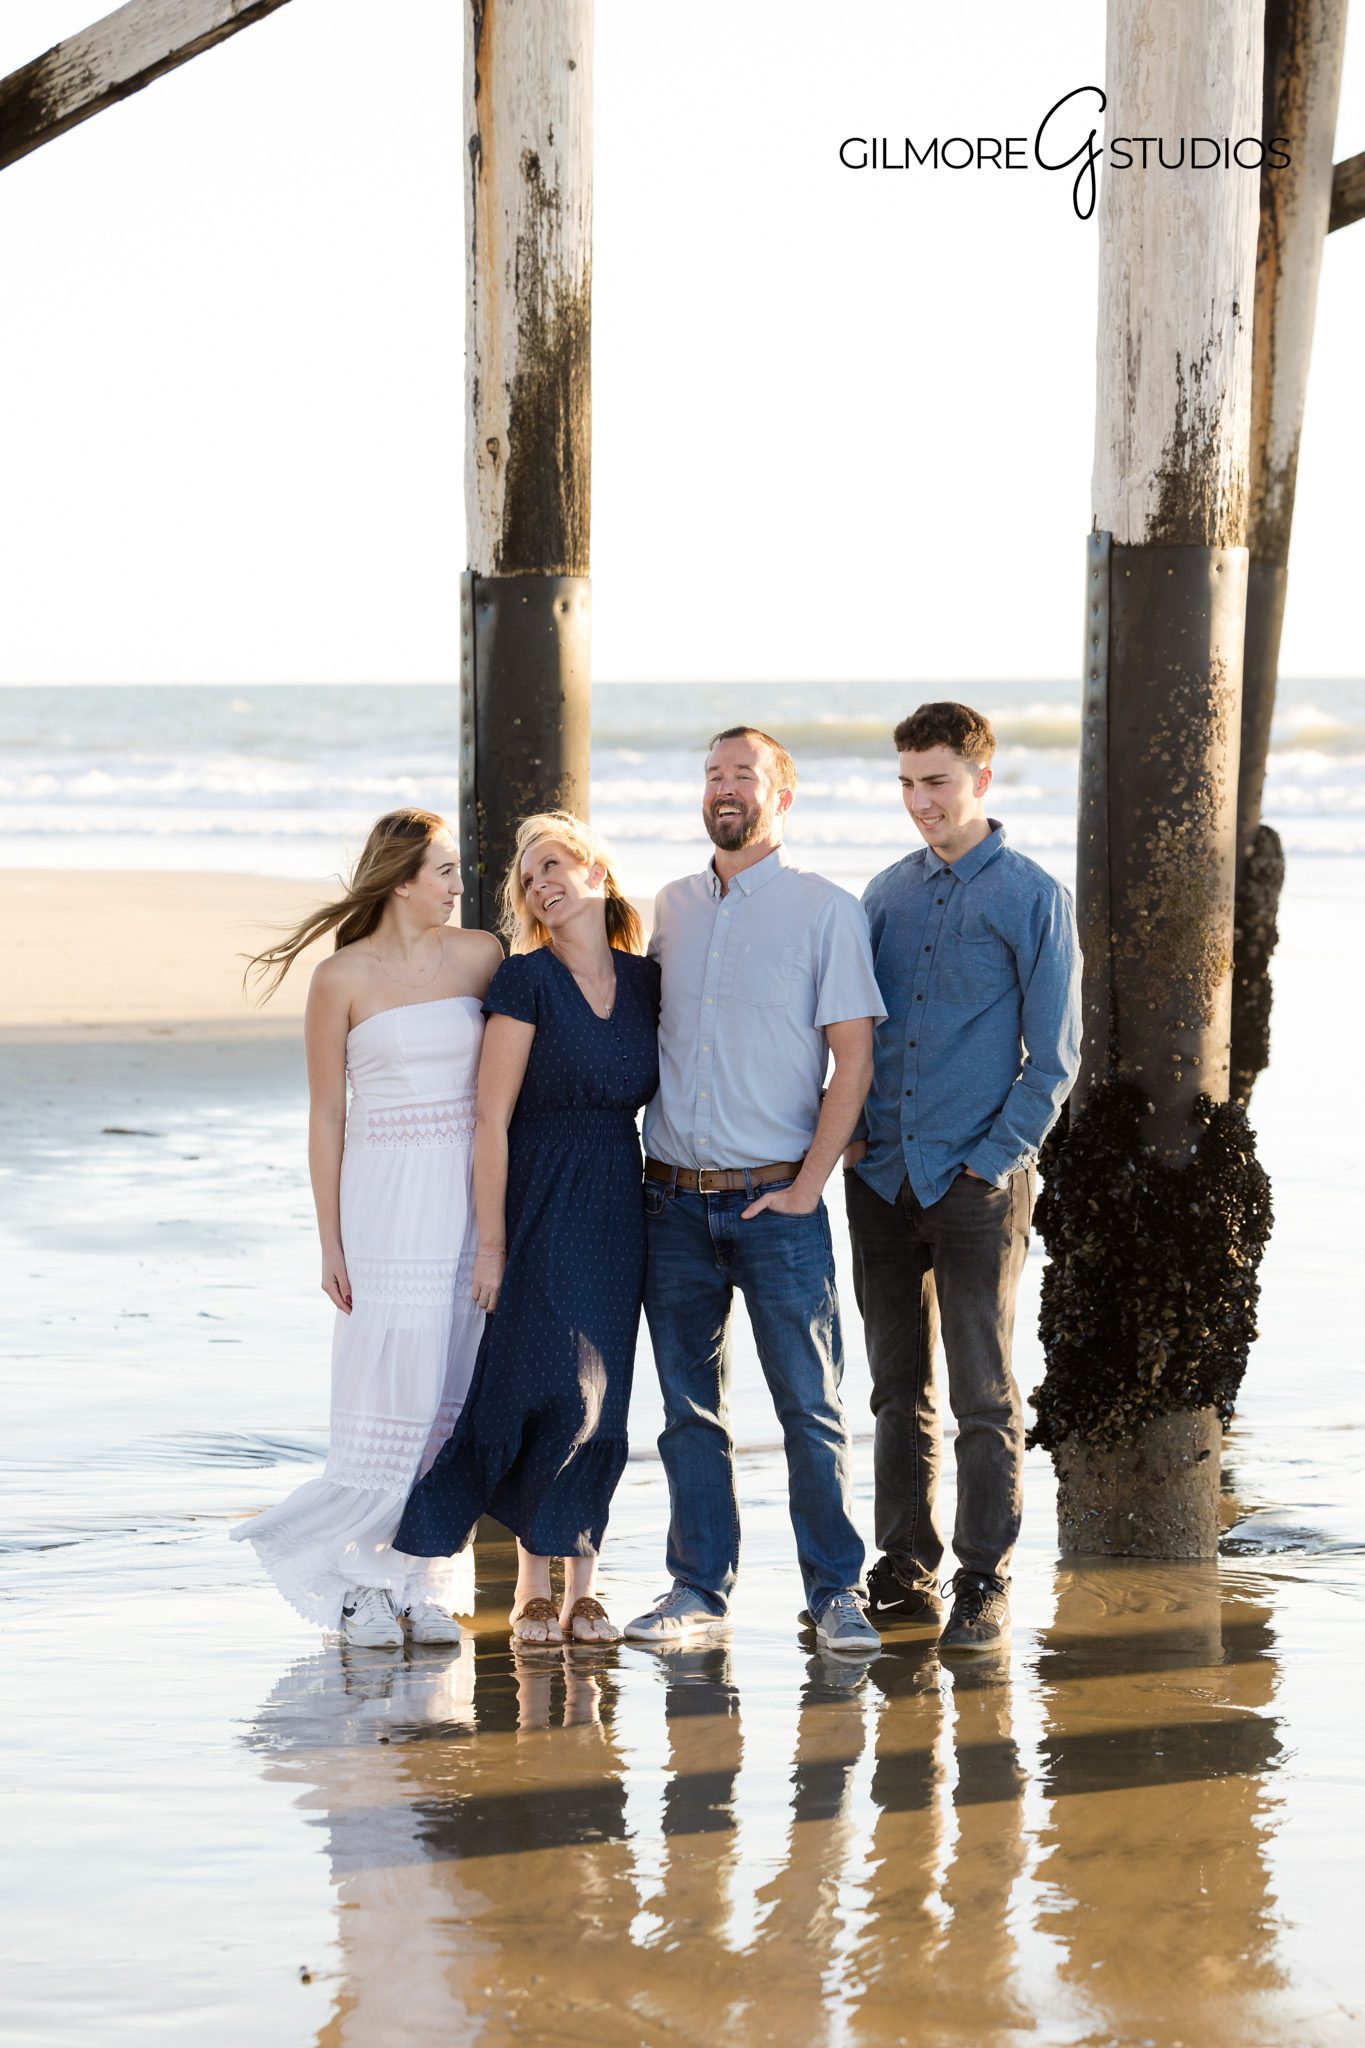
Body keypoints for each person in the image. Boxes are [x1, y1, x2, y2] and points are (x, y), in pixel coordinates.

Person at [625, 727, 887, 1654]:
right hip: (670, 1202)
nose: (724, 787)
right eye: (712, 774)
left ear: (782, 795)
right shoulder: (670, 907)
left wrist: (810, 1187)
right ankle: (698, 1590)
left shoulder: (826, 911)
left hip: (778, 1205)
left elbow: (854, 1059)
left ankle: (835, 1592)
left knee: (810, 1410)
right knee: (688, 1414)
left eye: (744, 773)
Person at [231, 808, 502, 1646]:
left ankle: (421, 1579)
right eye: (444, 871)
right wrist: (330, 1241)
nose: (457, 885)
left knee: (452, 1382)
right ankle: (353, 1579)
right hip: (384, 1199)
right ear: (401, 880)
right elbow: (326, 1116)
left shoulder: (482, 956)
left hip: (464, 1193)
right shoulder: (339, 978)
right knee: (391, 1376)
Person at [844, 702, 1081, 1653]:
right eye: (906, 783)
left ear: (981, 779)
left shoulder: (1031, 896)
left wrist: (990, 1161)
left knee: (983, 1391)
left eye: (935, 782)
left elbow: (1053, 1059)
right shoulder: (883, 894)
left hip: (977, 1183)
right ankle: (905, 1568)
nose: (919, 801)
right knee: (894, 1389)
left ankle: (984, 1577)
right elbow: (853, 1033)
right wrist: (851, 1139)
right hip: (879, 1180)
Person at [395, 813, 660, 1645]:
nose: (541, 884)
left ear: (597, 875)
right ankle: (529, 1584)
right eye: (528, 878)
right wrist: (492, 1243)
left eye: (553, 866)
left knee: (602, 1397)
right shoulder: (524, 979)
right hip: (540, 1191)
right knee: (541, 1382)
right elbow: (490, 1120)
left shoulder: (647, 980)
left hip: (619, 1197)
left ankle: (584, 1584)